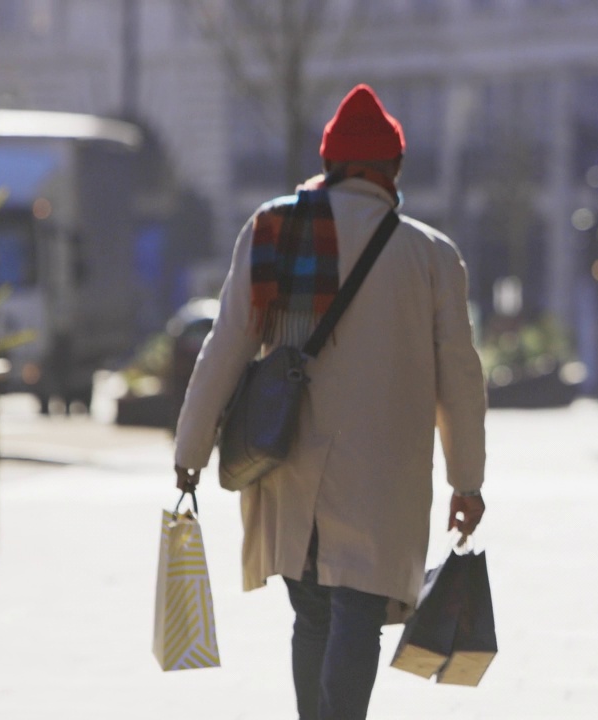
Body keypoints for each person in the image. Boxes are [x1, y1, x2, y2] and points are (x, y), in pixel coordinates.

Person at [172, 84, 487, 720]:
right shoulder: (431, 255)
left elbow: (225, 344)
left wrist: (191, 449)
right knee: (357, 615)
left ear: (331, 161)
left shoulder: (274, 228)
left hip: (287, 457)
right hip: (382, 475)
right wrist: (467, 481)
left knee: (312, 613)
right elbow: (461, 379)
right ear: (393, 168)